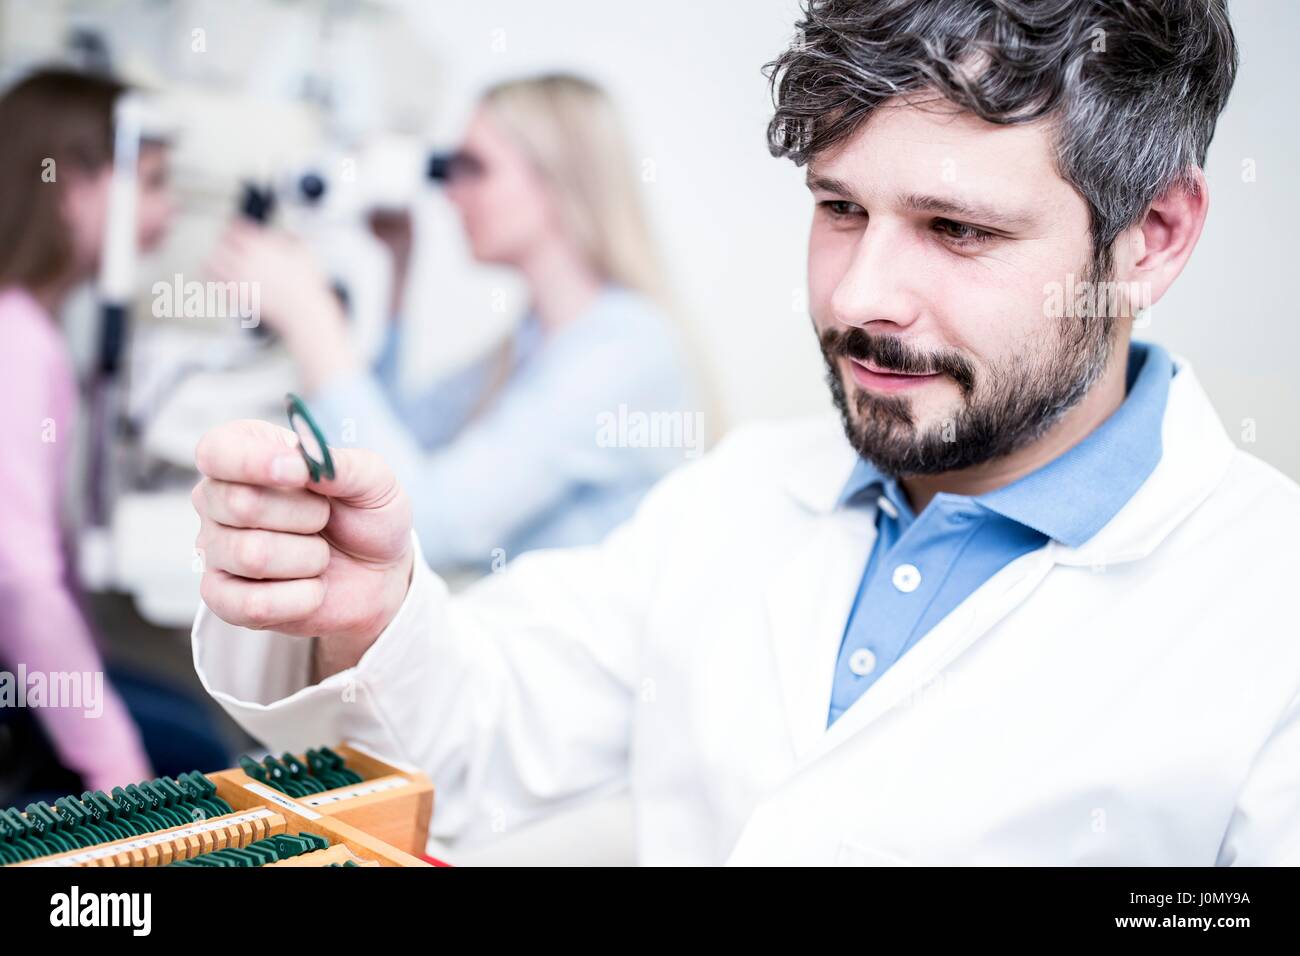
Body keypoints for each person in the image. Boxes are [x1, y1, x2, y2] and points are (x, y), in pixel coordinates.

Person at [188, 0, 1299, 864]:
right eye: (838, 208)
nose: (860, 295)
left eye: (955, 229)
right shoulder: (742, 495)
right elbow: (466, 735)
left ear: (1151, 236)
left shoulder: (1265, 607)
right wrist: (366, 615)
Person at [206, 73, 701, 573]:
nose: (449, 193)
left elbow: (433, 526)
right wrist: (399, 270)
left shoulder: (624, 350)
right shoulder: (535, 340)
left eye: (473, 167)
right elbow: (399, 439)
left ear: (557, 180)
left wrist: (311, 320)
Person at [0, 68, 226, 798]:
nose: (170, 206)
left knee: (190, 727)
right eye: (153, 181)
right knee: (197, 759)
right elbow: (21, 582)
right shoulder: (17, 340)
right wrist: (112, 764)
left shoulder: (35, 327)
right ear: (68, 187)